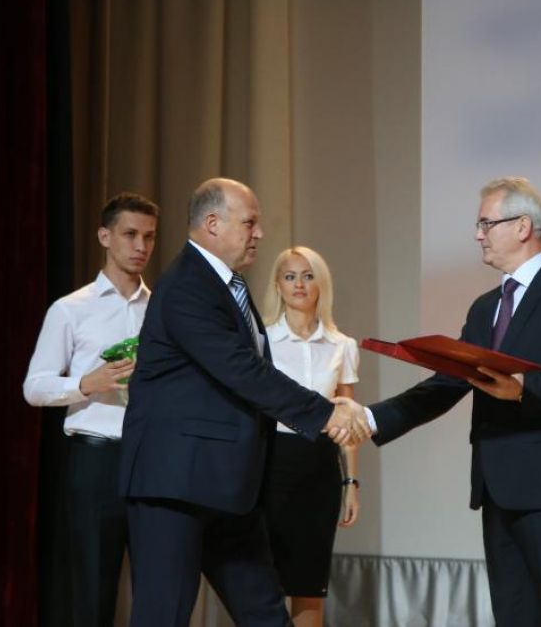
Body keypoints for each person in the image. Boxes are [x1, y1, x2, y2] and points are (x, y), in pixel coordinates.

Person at [368, 176, 541, 627]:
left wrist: (526, 389)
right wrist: (370, 418)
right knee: (514, 616)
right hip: (497, 486)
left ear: (523, 226)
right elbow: (449, 383)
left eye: (486, 223)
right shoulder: (486, 306)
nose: (477, 234)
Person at [118, 177, 370, 627]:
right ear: (213, 224)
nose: (260, 233)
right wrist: (325, 411)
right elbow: (242, 370)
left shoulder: (228, 284)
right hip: (175, 484)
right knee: (163, 615)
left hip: (229, 486)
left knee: (265, 614)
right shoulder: (187, 285)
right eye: (250, 223)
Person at [23, 192, 159, 627]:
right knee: (92, 589)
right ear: (105, 236)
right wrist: (85, 384)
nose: (140, 246)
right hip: (96, 458)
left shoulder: (162, 311)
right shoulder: (71, 309)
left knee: (158, 588)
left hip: (154, 460)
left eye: (149, 237)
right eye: (130, 234)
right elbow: (34, 387)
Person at [260, 247, 361, 627]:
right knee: (264, 582)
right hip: (270, 463)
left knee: (309, 581)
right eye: (290, 276)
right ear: (277, 285)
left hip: (319, 467)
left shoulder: (342, 345)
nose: (299, 284)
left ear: (322, 283)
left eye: (308, 275)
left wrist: (351, 483)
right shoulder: (262, 342)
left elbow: (348, 422)